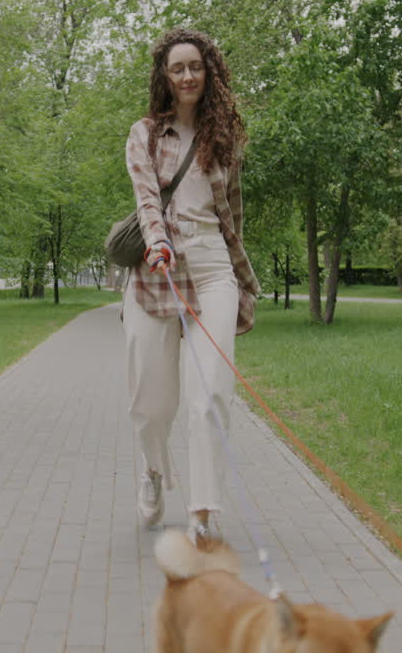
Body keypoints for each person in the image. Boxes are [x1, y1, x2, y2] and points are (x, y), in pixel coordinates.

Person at [122, 28, 261, 543]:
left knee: (211, 393)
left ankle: (203, 512)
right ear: (164, 75)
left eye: (195, 67)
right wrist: (157, 241)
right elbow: (146, 199)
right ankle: (155, 470)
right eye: (177, 68)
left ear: (210, 74)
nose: (187, 76)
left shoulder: (225, 138)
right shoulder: (145, 134)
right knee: (151, 403)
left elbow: (235, 215)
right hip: (155, 268)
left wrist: (238, 274)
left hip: (211, 268)